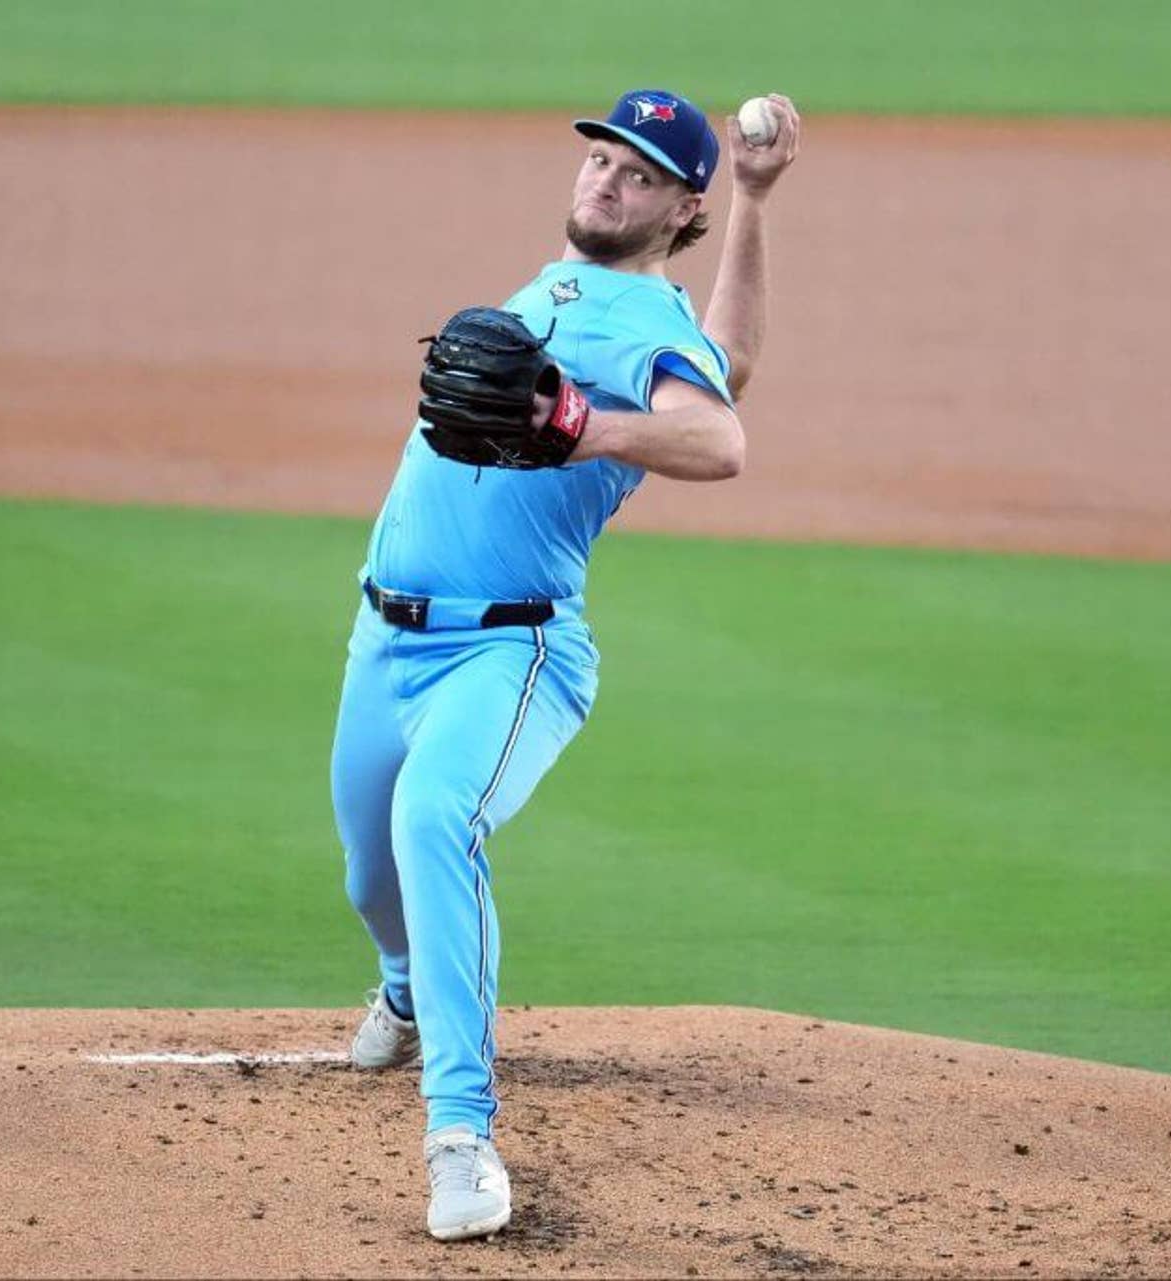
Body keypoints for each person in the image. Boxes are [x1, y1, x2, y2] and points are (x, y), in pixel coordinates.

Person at [329, 87, 802, 1241]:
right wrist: (752, 201)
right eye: (601, 157)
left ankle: (462, 1137)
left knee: (438, 819)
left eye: (640, 174)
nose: (606, 179)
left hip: (510, 647)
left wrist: (582, 426)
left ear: (669, 207)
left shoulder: (642, 331)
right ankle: (404, 986)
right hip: (383, 640)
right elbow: (729, 359)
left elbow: (721, 434)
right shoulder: (566, 290)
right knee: (370, 879)